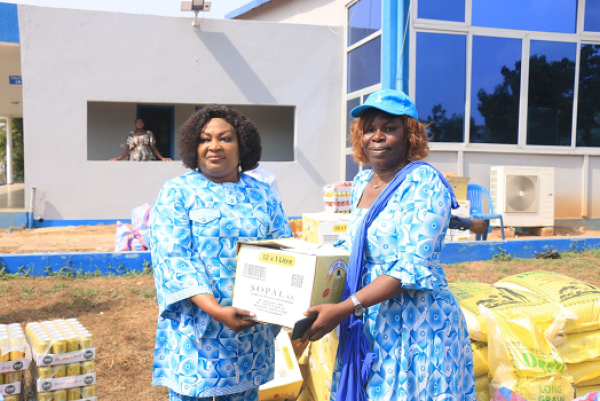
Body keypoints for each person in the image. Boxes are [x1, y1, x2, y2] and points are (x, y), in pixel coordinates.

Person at [299, 89, 475, 400]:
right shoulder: (360, 184)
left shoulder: (423, 182)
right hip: (371, 320)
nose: (377, 136)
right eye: (369, 129)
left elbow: (410, 266)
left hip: (416, 322)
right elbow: (351, 248)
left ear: (409, 135)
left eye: (389, 128)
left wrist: (342, 309)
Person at [149, 105, 292, 401]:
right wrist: (215, 310)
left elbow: (284, 250)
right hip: (196, 332)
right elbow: (173, 259)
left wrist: (291, 306)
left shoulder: (263, 194)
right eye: (204, 139)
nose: (213, 146)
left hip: (249, 330)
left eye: (225, 138)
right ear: (193, 146)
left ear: (242, 146)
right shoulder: (177, 192)